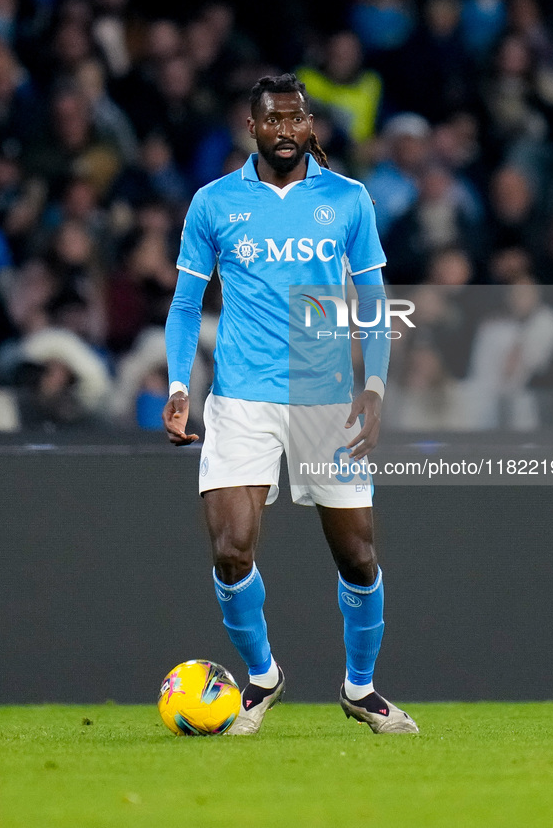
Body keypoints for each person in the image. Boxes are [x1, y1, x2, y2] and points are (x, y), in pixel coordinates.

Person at [162, 73, 418, 736]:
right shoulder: (214, 202)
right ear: (251, 128)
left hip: (322, 395)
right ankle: (261, 677)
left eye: (295, 120)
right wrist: (178, 384)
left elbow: (371, 300)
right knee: (230, 550)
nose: (284, 131)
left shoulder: (347, 199)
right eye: (272, 121)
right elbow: (187, 304)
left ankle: (359, 687)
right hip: (241, 397)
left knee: (357, 556)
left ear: (310, 127)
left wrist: (377, 385)